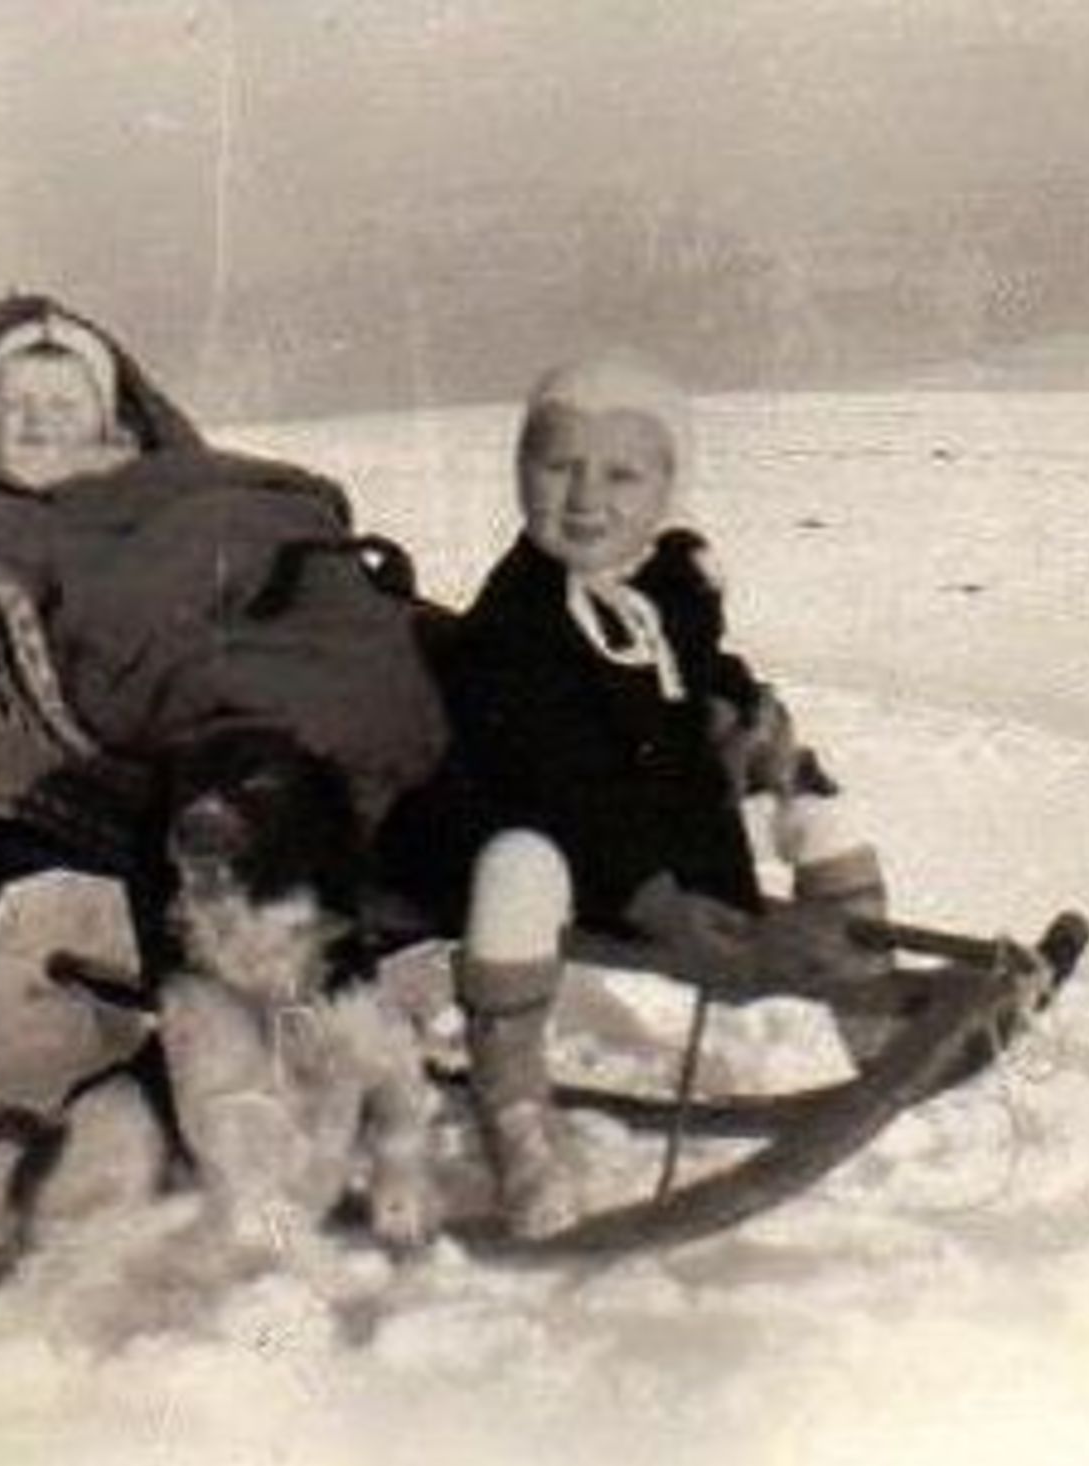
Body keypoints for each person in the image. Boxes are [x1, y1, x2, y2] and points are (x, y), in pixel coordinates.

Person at [380, 354, 894, 1232]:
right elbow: (556, 782)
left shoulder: (667, 585)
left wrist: (744, 717)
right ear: (521, 472)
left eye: (622, 476)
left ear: (667, 490)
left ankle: (874, 1018)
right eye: (557, 467)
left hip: (660, 832)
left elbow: (699, 666)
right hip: (552, 842)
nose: (586, 498)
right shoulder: (516, 623)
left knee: (818, 803)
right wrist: (655, 900)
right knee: (518, 865)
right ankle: (516, 1116)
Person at [0, 293, 449, 831]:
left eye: (64, 407)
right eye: (15, 407)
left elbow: (264, 520)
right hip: (162, 662)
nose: (38, 424)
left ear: (106, 423)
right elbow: (105, 616)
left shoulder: (158, 479)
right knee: (331, 702)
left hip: (268, 605)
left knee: (426, 646)